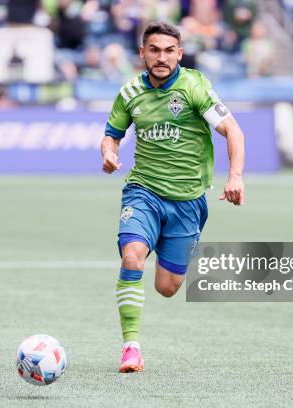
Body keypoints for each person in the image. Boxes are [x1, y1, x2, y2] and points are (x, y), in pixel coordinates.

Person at [100, 21, 246, 373]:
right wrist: (108, 152)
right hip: (143, 191)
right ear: (143, 53)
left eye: (169, 51)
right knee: (132, 257)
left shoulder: (195, 87)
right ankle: (131, 347)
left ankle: (168, 244)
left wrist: (236, 177)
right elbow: (111, 135)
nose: (161, 57)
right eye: (154, 50)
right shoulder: (130, 92)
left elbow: (232, 131)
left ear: (179, 53)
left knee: (167, 287)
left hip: (187, 201)